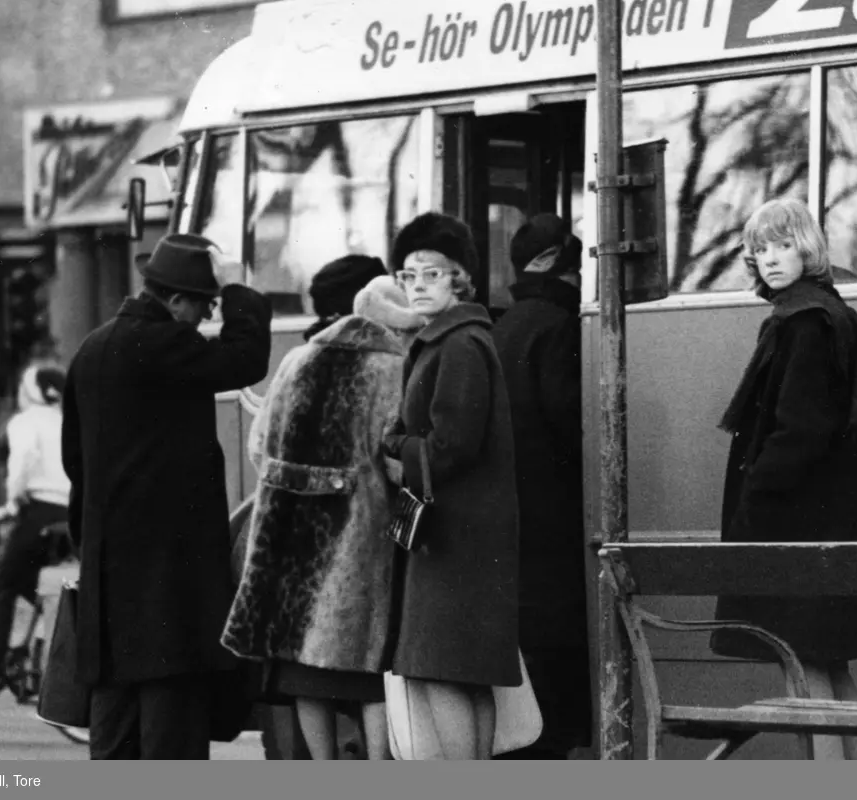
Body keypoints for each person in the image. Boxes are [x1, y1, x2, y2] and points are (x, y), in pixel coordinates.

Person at [62, 232, 272, 759]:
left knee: (115, 729)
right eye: (205, 305)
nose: (205, 319)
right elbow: (246, 359)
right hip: (170, 581)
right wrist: (239, 288)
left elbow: (76, 463)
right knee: (171, 730)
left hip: (110, 578)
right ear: (176, 300)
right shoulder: (164, 345)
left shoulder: (91, 349)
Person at [709, 198, 857, 760]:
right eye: (760, 249)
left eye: (782, 245)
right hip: (828, 515)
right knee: (826, 660)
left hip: (793, 518)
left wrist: (753, 504)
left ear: (807, 248)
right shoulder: (827, 313)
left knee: (802, 661)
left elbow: (799, 431)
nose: (769, 259)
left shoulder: (802, 322)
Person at [223, 274, 425, 760]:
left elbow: (258, 448)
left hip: (292, 538)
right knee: (369, 671)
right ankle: (380, 767)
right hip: (362, 542)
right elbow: (398, 463)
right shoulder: (396, 371)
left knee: (305, 671)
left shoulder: (297, 361)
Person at [381, 212, 521, 760]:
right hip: (464, 530)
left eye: (431, 275)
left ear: (460, 278)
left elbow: (453, 443)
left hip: (454, 535)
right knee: (466, 674)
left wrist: (397, 449)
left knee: (438, 669)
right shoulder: (455, 337)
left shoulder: (457, 344)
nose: (417, 286)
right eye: (408, 275)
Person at [491, 214, 592, 759]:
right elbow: (572, 424)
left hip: (514, 519)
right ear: (557, 265)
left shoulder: (504, 327)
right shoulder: (558, 326)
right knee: (559, 662)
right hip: (556, 521)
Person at [0, 363, 72, 693]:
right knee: (38, 584)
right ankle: (42, 643)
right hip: (70, 514)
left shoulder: (25, 422)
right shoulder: (66, 421)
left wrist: (13, 500)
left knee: (3, 583)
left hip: (38, 510)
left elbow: (23, 458)